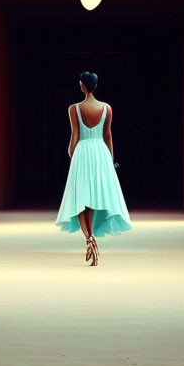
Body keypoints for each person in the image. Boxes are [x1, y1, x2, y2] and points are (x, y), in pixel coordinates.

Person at [55, 71, 132, 265]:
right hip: (100, 153)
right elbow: (108, 136)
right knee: (95, 196)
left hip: (82, 152)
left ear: (82, 86)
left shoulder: (75, 108)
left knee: (82, 198)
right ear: (95, 86)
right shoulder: (106, 108)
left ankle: (89, 239)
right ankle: (92, 240)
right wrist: (111, 160)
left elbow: (74, 135)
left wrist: (71, 155)